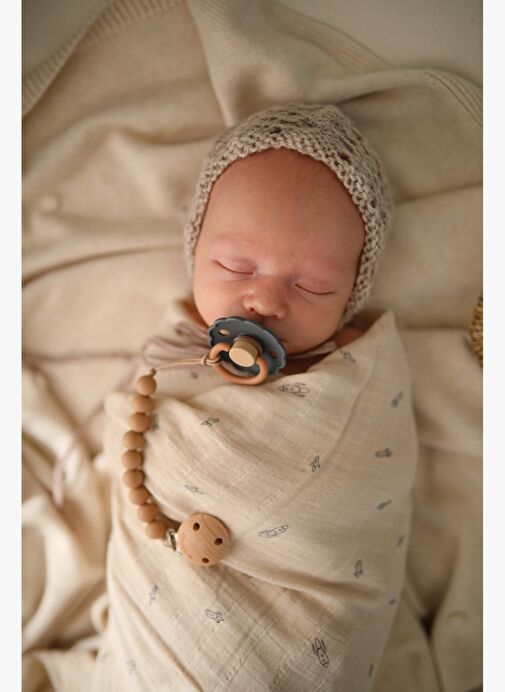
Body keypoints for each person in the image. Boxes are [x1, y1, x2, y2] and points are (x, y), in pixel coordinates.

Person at [181, 102, 392, 375]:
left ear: (352, 295)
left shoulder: (359, 362)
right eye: (234, 267)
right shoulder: (173, 341)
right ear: (196, 250)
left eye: (312, 287)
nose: (266, 304)